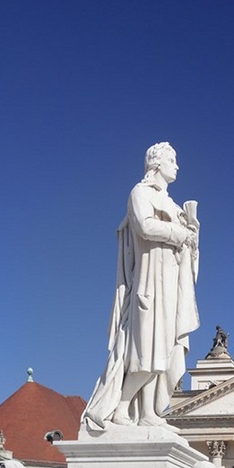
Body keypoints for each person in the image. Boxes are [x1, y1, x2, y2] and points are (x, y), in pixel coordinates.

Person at [82, 143, 199, 429]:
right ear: (157, 164)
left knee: (164, 351)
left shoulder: (172, 205)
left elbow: (186, 248)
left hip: (170, 285)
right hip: (149, 282)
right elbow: (145, 227)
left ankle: (148, 412)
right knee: (146, 350)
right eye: (173, 160)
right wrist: (180, 233)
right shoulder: (140, 194)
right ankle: (120, 407)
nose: (178, 166)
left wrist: (193, 234)